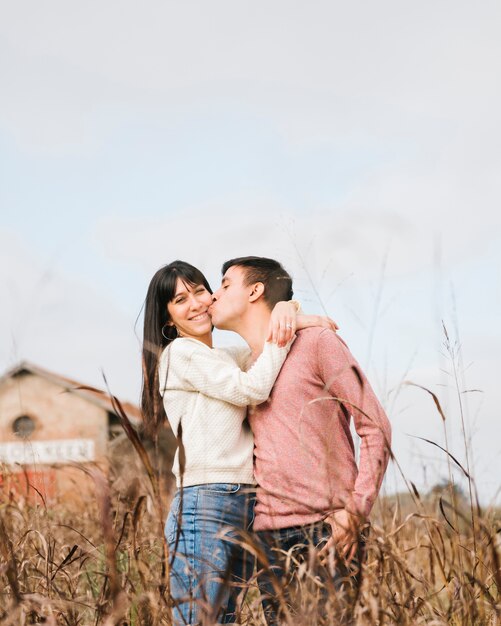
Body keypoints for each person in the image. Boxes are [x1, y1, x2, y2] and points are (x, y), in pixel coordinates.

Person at [140, 260, 336, 625]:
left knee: (223, 619)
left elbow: (265, 347)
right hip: (205, 501)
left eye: (199, 291)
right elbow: (254, 387)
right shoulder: (179, 355)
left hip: (246, 503)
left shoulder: (224, 357)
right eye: (181, 300)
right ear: (168, 320)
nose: (196, 303)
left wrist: (287, 311)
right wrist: (284, 330)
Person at [210, 256, 392, 624]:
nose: (214, 296)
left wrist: (356, 512)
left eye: (226, 284)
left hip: (326, 532)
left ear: (255, 291)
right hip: (268, 540)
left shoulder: (317, 342)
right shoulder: (242, 366)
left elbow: (375, 426)